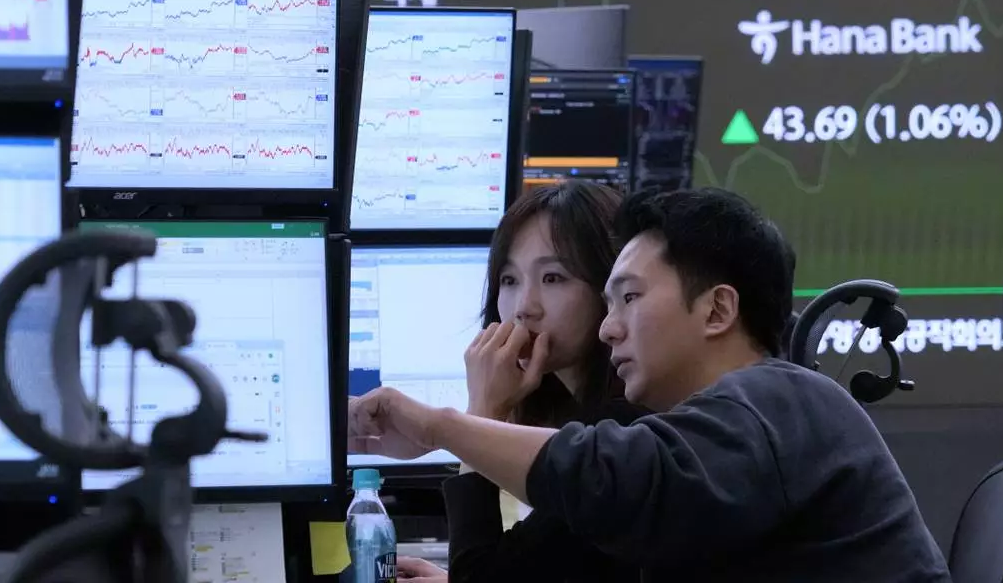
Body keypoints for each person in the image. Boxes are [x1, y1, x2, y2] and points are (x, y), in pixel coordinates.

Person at [354, 188, 952, 582]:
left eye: (631, 298)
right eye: (508, 281)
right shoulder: (745, 415)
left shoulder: (780, 400)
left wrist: (445, 424)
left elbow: (610, 477)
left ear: (717, 311)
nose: (610, 328)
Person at [396, 180, 646, 583]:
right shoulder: (582, 416)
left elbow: (479, 577)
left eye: (553, 278)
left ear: (610, 287)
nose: (523, 308)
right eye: (509, 280)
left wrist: (481, 414)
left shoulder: (619, 431)